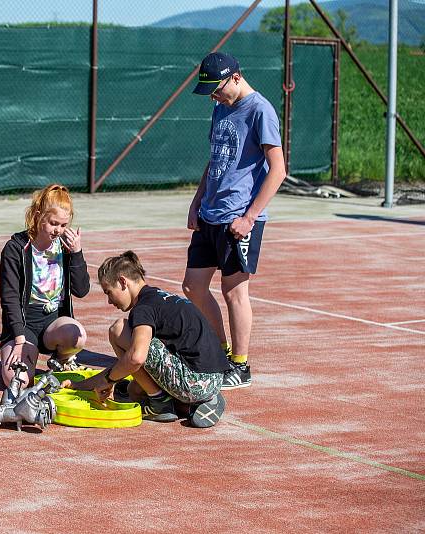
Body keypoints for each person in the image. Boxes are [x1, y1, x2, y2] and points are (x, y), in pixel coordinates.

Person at [184, 52, 286, 390]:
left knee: (234, 291)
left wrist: (250, 217)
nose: (213, 96)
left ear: (236, 78)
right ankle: (221, 352)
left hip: (238, 218)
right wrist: (198, 200)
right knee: (193, 286)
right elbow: (214, 158)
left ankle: (240, 365)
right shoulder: (219, 108)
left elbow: (278, 170)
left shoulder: (261, 111)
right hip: (210, 213)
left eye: (217, 89)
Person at [65, 251, 229, 428]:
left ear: (122, 282)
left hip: (195, 382)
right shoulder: (160, 298)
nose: (109, 301)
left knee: (118, 329)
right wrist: (81, 385)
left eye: (109, 292)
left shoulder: (144, 308)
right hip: (215, 380)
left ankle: (160, 404)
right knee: (134, 388)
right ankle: (188, 404)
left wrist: (109, 381)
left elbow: (136, 358)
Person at [0, 184, 90, 387]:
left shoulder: (65, 246)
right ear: (38, 216)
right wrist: (19, 340)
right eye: (53, 223)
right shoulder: (15, 248)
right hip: (25, 325)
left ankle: (62, 359)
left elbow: (81, 290)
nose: (59, 230)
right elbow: (10, 298)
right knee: (17, 380)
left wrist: (76, 253)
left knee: (78, 335)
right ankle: (21, 353)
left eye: (64, 225)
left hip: (53, 323)